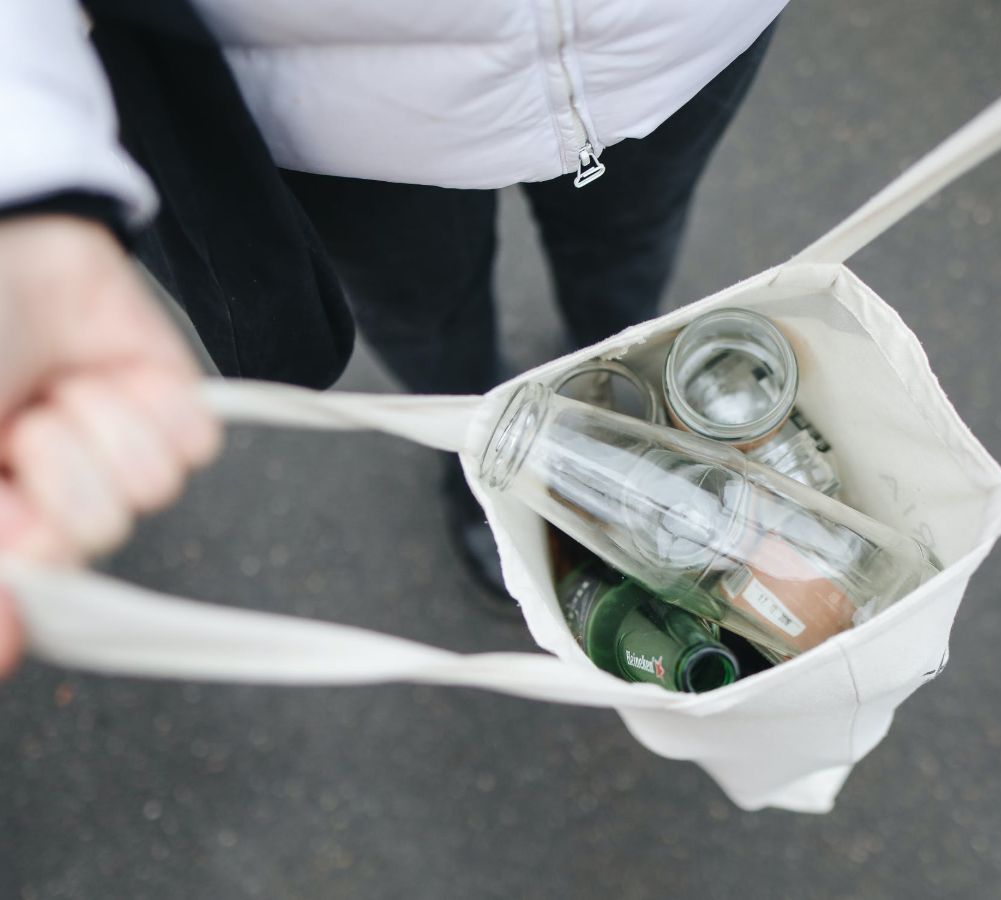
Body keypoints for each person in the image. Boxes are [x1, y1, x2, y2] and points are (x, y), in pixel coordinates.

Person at [0, 1, 783, 671]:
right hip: (340, 103)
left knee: (629, 263)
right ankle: (482, 447)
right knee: (426, 318)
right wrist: (27, 180)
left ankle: (628, 395)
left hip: (678, 42)